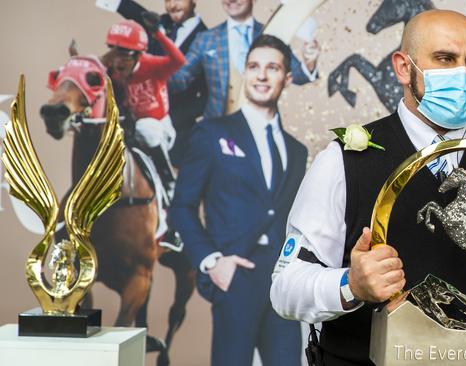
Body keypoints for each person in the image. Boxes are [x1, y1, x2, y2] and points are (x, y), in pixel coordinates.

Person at [270, 9, 466, 365]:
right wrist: (351, 285)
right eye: (445, 59)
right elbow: (285, 289)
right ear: (404, 68)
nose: (462, 75)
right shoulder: (343, 161)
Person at [170, 34, 308, 366]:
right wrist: (212, 262)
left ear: (286, 78)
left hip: (283, 281)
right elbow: (181, 207)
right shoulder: (212, 134)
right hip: (235, 276)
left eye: (272, 68)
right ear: (244, 73)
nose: (261, 75)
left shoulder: (297, 150)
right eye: (253, 66)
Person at [103, 18, 185, 249]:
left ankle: (169, 183)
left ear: (139, 54)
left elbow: (179, 60)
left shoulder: (153, 64)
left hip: (159, 126)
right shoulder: (113, 70)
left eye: (125, 55)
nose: (118, 61)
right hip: (130, 126)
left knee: (146, 127)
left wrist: (158, 34)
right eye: (115, 52)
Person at [97, 0, 208, 167]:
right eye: (168, 0)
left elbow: (205, 96)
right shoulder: (156, 23)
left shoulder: (206, 37)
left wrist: (173, 118)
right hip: (135, 124)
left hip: (178, 131)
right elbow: (135, 12)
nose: (173, 6)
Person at [168, 0, 321, 121]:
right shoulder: (205, 39)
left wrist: (309, 61)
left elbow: (299, 76)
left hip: (261, 128)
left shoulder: (272, 34)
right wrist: (149, 75)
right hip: (216, 130)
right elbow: (180, 78)